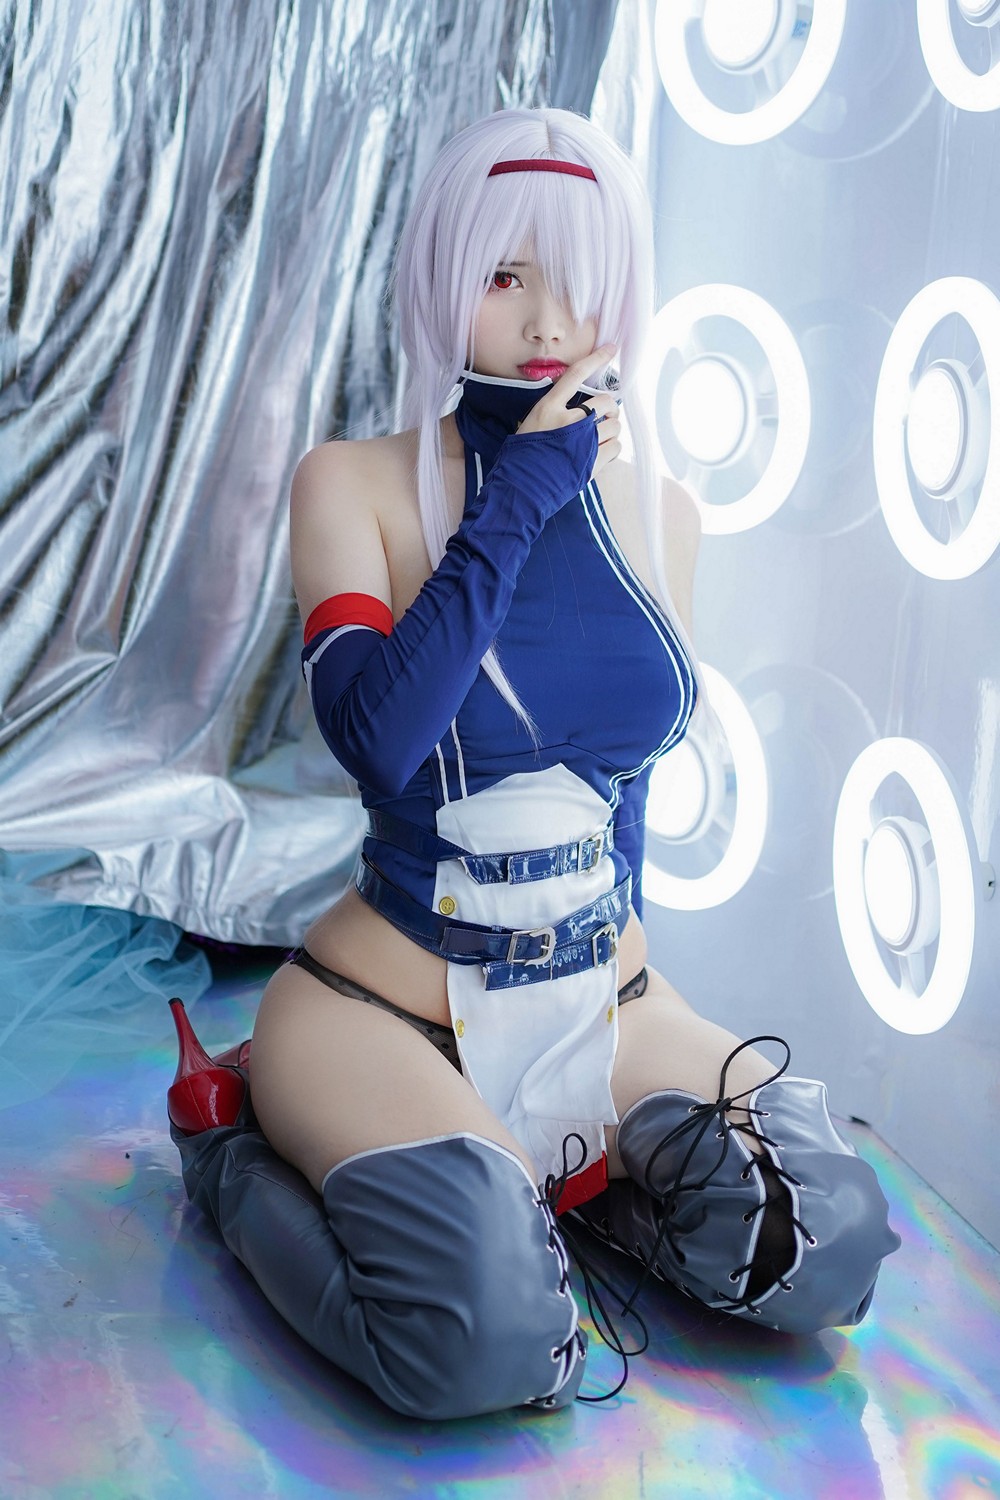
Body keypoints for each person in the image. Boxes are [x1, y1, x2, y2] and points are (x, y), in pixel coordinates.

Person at [167, 106, 900, 1420]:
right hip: (385, 1007)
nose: (550, 319)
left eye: (581, 277)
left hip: (604, 1002)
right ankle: (231, 1146)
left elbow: (624, 795)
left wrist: (635, 1016)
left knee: (826, 1238)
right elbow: (377, 742)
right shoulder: (354, 484)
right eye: (506, 274)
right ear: (443, 276)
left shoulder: (663, 512)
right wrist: (514, 499)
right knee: (484, 1347)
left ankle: (569, 1190)